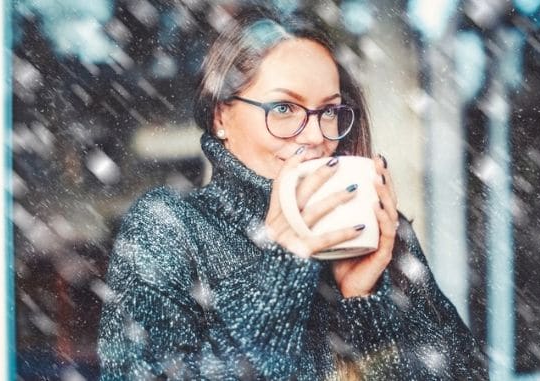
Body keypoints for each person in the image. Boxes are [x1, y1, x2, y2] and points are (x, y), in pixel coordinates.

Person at [98, 7, 488, 380]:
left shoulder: (376, 229)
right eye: (284, 108)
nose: (317, 136)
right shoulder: (171, 226)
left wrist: (363, 305)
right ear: (221, 116)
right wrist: (282, 267)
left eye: (329, 111)